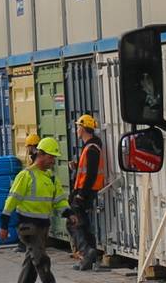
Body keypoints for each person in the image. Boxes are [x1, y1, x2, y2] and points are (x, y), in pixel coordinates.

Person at [0, 138, 76, 283]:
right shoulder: (26, 176)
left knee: (31, 262)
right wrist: (4, 224)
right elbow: (12, 200)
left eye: (54, 157)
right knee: (41, 260)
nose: (53, 161)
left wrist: (69, 213)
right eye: (51, 156)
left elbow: (59, 200)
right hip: (28, 227)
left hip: (43, 227)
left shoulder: (51, 178)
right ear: (40, 154)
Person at [70, 114, 106, 271]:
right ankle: (90, 258)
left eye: (78, 126)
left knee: (74, 223)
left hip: (85, 192)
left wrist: (81, 194)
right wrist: (76, 166)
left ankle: (87, 253)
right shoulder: (89, 147)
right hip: (83, 190)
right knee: (83, 225)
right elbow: (86, 170)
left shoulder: (92, 148)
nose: (76, 129)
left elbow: (91, 174)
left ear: (84, 129)